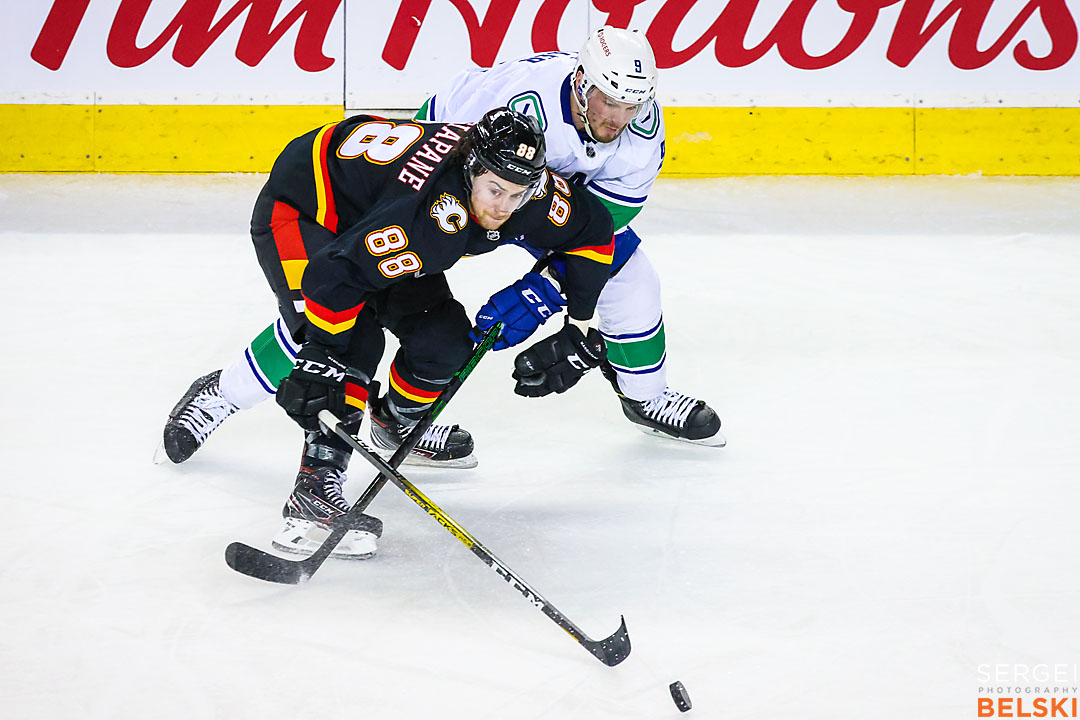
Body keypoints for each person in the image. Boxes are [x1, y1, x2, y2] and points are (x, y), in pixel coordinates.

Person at [166, 108, 615, 558]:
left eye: (517, 195)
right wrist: (321, 355)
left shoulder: (527, 191)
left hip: (377, 213)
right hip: (307, 209)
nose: (503, 207)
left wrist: (576, 321)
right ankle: (297, 472)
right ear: (471, 169)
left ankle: (396, 423)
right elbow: (334, 277)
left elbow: (595, 230)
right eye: (495, 191)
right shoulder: (428, 219)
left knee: (444, 345)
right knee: (352, 342)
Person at [421, 26, 724, 447]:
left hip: (549, 191)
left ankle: (645, 396)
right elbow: (448, 159)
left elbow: (604, 222)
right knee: (413, 276)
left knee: (629, 277)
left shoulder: (643, 129)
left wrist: (547, 287)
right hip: (464, 166)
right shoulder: (522, 103)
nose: (619, 119)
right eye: (610, 102)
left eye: (631, 106)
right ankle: (400, 416)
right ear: (582, 84)